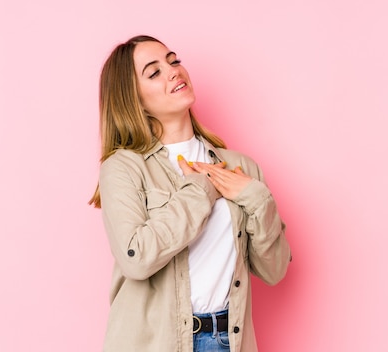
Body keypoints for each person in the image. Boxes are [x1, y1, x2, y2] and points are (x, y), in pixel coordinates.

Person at [89, 35, 291, 352]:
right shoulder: (123, 168)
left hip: (228, 341)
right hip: (153, 343)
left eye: (174, 61)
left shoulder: (240, 168)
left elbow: (274, 270)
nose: (173, 72)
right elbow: (136, 259)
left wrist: (256, 197)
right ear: (135, 100)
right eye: (154, 72)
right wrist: (202, 188)